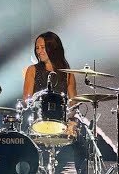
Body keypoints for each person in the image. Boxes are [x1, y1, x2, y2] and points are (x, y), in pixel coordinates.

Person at [23, 31, 86, 173]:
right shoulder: (32, 70)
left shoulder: (67, 73)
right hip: (38, 124)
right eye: (37, 48)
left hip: (61, 125)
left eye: (42, 47)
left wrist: (72, 122)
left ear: (53, 48)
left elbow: (73, 103)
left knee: (82, 141)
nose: (39, 51)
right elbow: (26, 101)